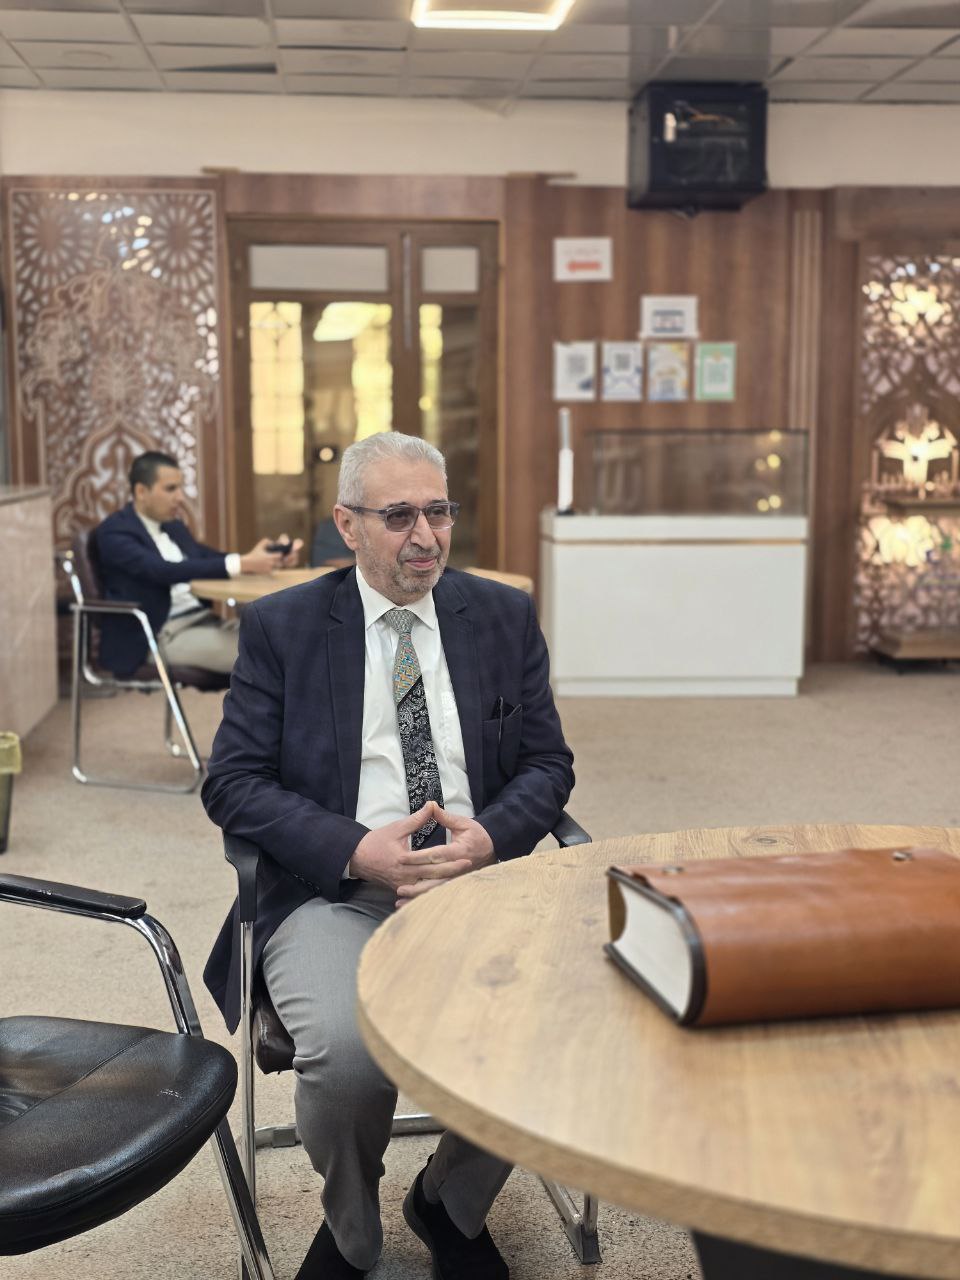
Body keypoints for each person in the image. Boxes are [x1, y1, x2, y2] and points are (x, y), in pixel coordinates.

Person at [201, 431, 574, 1280]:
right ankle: (353, 1229)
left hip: (479, 883)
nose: (426, 537)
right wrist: (355, 849)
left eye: (439, 512)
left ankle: (450, 1203)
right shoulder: (285, 627)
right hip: (331, 892)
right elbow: (234, 784)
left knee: (548, 1024)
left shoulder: (501, 615)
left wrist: (488, 838)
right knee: (346, 1053)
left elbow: (549, 765)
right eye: (399, 516)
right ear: (348, 526)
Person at [95, 450, 302, 677]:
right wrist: (244, 563)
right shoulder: (114, 532)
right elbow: (160, 570)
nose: (180, 497)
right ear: (141, 491)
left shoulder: (173, 527)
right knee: (271, 656)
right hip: (160, 634)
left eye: (180, 488)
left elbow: (209, 559)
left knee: (289, 640)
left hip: (203, 621)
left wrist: (268, 559)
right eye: (170, 489)